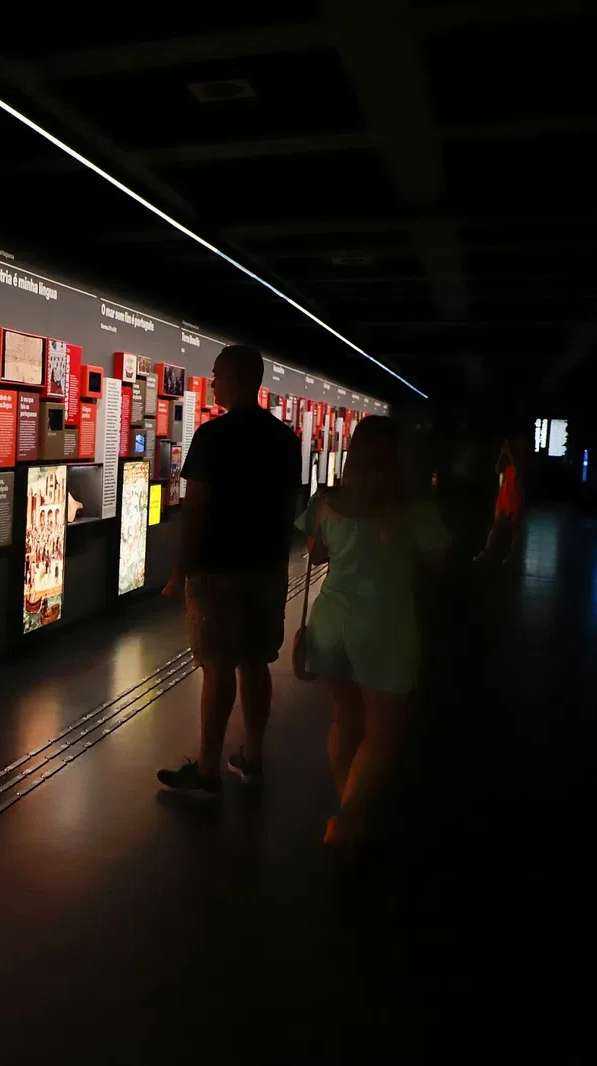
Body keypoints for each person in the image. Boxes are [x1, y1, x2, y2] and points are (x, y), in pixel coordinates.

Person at [296, 416, 449, 850]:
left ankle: (351, 810)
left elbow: (317, 554)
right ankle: (346, 821)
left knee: (345, 720)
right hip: (386, 624)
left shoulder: (328, 501)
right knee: (382, 732)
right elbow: (441, 564)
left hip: (331, 620)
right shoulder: (413, 506)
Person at [158, 345, 302, 798]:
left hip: (218, 569)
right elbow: (287, 507)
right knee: (256, 661)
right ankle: (252, 756)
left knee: (217, 666)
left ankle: (207, 771)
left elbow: (196, 509)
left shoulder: (212, 436)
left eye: (217, 374)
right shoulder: (285, 440)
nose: (213, 381)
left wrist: (182, 569)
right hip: (266, 567)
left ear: (237, 377)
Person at [475, 439, 524, 564]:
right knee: (496, 526)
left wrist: (509, 453)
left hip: (515, 498)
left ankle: (513, 556)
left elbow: (518, 475)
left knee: (515, 528)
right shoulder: (507, 465)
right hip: (504, 497)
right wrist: (503, 453)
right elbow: (498, 470)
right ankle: (487, 551)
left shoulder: (520, 464)